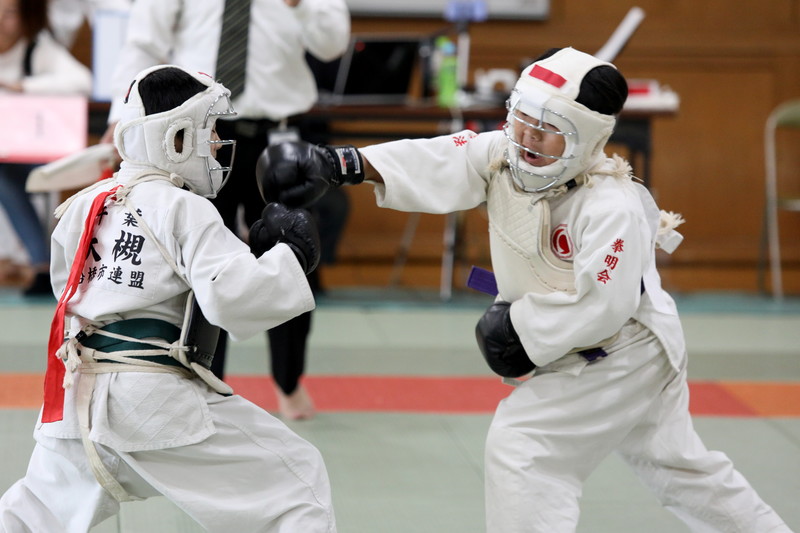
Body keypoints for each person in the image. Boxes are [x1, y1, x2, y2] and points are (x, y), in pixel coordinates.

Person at [256, 47, 794, 533]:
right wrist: (341, 164)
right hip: (601, 346)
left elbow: (604, 305)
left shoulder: (611, 205)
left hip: (623, 348)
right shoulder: (503, 155)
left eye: (549, 127)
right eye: (522, 119)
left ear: (586, 138)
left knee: (525, 448)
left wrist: (522, 330)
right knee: (679, 468)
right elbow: (440, 157)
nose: (529, 136)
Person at [0, 64, 336, 532]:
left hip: (75, 401)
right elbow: (231, 298)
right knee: (297, 484)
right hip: (151, 401)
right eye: (211, 130)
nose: (218, 143)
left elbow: (72, 293)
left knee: (32, 516)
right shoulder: (183, 206)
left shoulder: (82, 204)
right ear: (177, 137)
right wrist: (291, 258)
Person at [100, 0, 352, 420]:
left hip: (278, 133)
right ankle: (197, 375)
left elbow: (332, 44)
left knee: (292, 252)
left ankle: (288, 381)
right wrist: (121, 115)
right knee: (193, 259)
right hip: (193, 133)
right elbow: (145, 43)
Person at [0, 0, 92, 296]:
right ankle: (41, 265)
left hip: (39, 150)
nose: (2, 21)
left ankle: (43, 265)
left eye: (10, 12)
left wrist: (24, 86)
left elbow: (83, 80)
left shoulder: (36, 47)